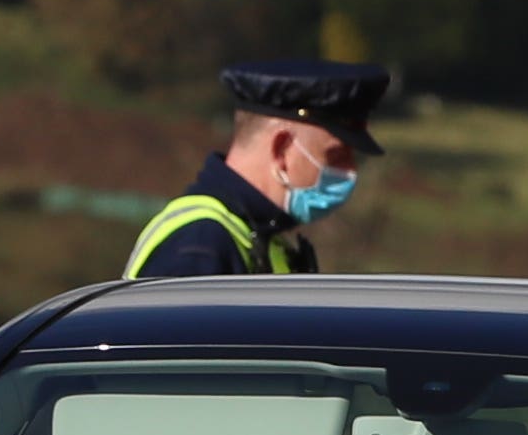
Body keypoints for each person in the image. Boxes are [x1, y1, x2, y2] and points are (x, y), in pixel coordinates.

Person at [124, 58, 392, 278]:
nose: (350, 170)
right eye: (335, 155)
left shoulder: (261, 238)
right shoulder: (199, 246)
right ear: (282, 149)